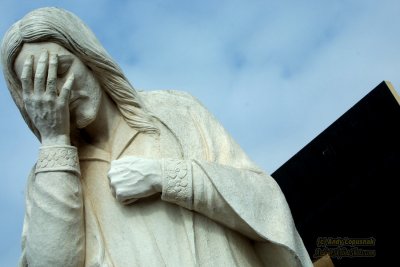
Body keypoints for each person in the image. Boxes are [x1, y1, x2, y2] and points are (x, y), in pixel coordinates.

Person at [1, 7, 312, 267]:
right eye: (36, 86)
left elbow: (264, 202)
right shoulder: (49, 178)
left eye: (62, 70)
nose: (58, 93)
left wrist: (167, 177)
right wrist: (55, 141)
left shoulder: (174, 111)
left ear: (88, 58)